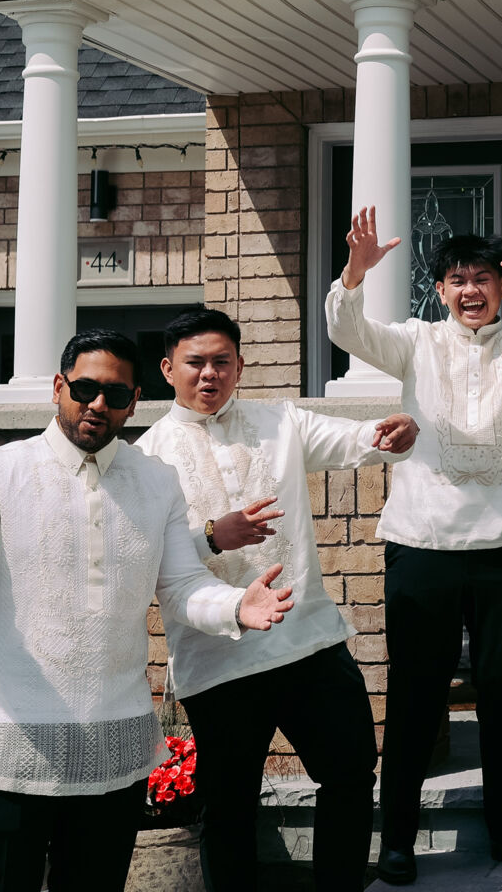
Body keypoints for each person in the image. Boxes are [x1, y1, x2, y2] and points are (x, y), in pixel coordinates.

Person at [0, 330, 293, 892]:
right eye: (84, 389)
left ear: (134, 402)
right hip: (10, 738)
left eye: (115, 394)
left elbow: (182, 585)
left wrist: (236, 605)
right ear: (58, 388)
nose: (97, 404)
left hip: (112, 742)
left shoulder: (155, 480)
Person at [325, 218, 502, 882]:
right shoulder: (415, 341)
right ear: (439, 289)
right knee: (414, 697)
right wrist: (355, 273)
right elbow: (347, 331)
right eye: (457, 279)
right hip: (423, 544)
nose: (471, 290)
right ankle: (397, 840)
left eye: (483, 279)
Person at [136, 307, 421, 892]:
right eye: (195, 363)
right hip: (218, 661)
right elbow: (146, 558)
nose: (209, 374)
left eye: (222, 362)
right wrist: (212, 536)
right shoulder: (147, 459)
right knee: (230, 805)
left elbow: (353, 439)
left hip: (308, 643)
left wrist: (388, 434)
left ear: (240, 366)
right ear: (167, 369)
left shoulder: (281, 421)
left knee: (350, 774)